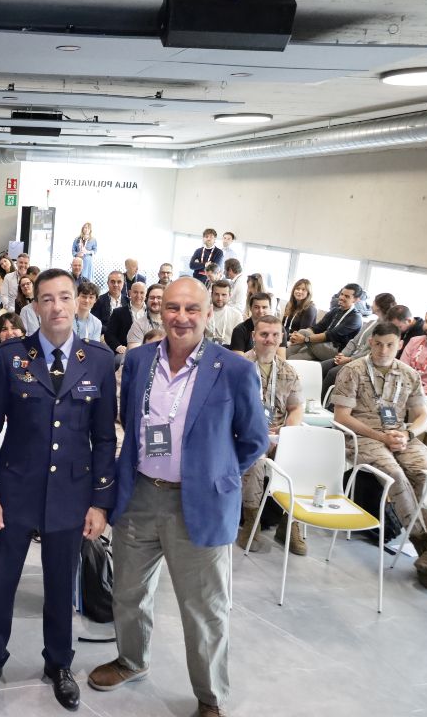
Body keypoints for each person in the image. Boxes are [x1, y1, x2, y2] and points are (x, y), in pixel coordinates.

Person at [88, 276, 267, 717]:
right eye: (172, 307)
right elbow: (130, 420)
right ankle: (131, 660)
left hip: (199, 504)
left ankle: (210, 696)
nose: (181, 317)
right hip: (139, 496)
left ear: (208, 314)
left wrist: (215, 473)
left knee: (203, 607)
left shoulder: (235, 370)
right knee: (128, 591)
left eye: (191, 309)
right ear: (160, 310)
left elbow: (254, 440)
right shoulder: (139, 360)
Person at [0, 268, 116, 711]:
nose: (57, 307)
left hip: (71, 492)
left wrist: (100, 502)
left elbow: (104, 438)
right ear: (35, 306)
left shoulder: (98, 360)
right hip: (16, 489)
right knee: (3, 582)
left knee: (60, 583)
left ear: (78, 303)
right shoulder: (12, 357)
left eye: (65, 297)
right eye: (47, 299)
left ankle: (59, 664)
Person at [333, 322, 427, 589]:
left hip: (400, 435)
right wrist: (381, 436)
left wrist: (407, 433)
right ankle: (424, 543)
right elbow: (342, 417)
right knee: (395, 473)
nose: (383, 350)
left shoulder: (408, 374)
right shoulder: (353, 370)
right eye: (378, 344)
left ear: (400, 345)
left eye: (390, 345)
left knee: (424, 470)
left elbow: (424, 416)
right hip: (363, 435)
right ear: (370, 342)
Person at [235, 315, 304, 554]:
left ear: (281, 337)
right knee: (256, 460)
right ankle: (251, 523)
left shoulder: (288, 371)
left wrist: (286, 433)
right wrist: (256, 433)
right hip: (244, 434)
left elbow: (296, 408)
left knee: (299, 458)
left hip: (277, 435)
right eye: (264, 334)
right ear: (254, 336)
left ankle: (289, 523)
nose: (270, 339)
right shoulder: (238, 367)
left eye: (275, 335)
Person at [319, 292, 396, 395]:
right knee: (321, 367)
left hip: (362, 363)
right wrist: (343, 354)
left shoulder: (386, 329)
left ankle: (320, 401)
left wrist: (349, 359)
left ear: (378, 306)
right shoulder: (371, 322)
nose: (371, 304)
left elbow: (370, 353)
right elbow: (354, 341)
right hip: (349, 357)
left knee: (333, 373)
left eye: (373, 301)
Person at [287, 283, 364, 361]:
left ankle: (282, 357)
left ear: (356, 300)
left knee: (303, 332)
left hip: (335, 351)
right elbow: (318, 327)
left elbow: (329, 335)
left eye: (347, 296)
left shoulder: (355, 318)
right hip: (322, 345)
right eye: (342, 294)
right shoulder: (335, 310)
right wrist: (297, 336)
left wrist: (305, 339)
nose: (341, 297)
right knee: (293, 359)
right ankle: (282, 359)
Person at [104, 281, 147, 359]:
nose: (138, 295)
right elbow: (109, 334)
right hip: (125, 352)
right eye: (135, 292)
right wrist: (118, 347)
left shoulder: (151, 312)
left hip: (147, 351)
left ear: (146, 295)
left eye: (142, 293)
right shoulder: (118, 312)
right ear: (130, 293)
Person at [126, 283, 165, 349]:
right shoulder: (138, 325)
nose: (155, 301)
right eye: (152, 298)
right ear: (146, 300)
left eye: (159, 298)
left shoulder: (173, 324)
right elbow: (135, 352)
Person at [205, 280, 244, 346]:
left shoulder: (236, 315)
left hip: (229, 350)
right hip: (206, 349)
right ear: (211, 294)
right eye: (216, 294)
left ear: (229, 296)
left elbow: (240, 341)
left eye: (224, 295)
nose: (220, 298)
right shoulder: (203, 312)